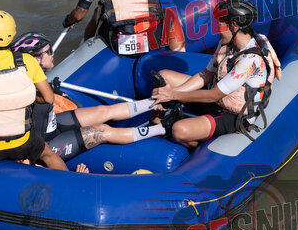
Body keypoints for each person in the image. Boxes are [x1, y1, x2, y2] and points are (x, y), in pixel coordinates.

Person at [11, 31, 183, 161]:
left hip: (53, 124)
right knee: (102, 131)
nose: (53, 53)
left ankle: (161, 101)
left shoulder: (39, 79)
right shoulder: (23, 88)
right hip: (47, 143)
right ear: (34, 59)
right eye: (48, 51)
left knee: (103, 111)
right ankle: (163, 129)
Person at [151, 0, 283, 147]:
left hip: (234, 115)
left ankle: (194, 141)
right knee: (165, 77)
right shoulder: (227, 43)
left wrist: (173, 95)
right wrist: (171, 94)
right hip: (218, 100)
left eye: (219, 24)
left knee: (179, 130)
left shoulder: (250, 60)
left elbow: (213, 95)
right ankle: (156, 124)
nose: (216, 30)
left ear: (234, 26)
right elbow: (206, 75)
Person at [0, 11, 76, 171]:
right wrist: (29, 97)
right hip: (22, 143)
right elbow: (48, 98)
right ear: (12, 35)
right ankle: (69, 179)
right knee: (48, 154)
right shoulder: (26, 61)